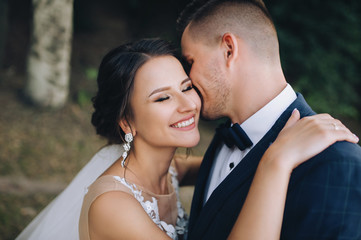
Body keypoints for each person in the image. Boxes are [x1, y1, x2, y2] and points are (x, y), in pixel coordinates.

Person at [75, 38, 357, 240]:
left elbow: (217, 165)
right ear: (127, 122)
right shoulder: (112, 206)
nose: (187, 104)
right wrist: (276, 160)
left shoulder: (171, 171)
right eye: (162, 97)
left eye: (186, 87)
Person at [176, 0, 361, 239]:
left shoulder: (339, 163)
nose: (188, 78)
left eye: (190, 62)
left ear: (229, 50)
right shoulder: (223, 139)